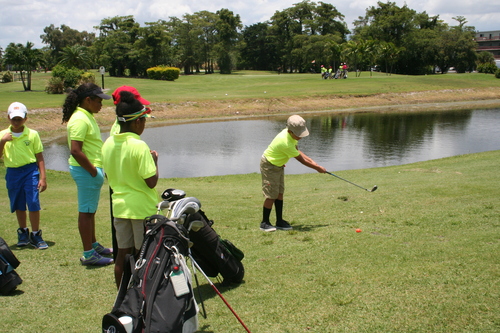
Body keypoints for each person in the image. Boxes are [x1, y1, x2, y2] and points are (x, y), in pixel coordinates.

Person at [102, 90, 159, 288]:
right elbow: (151, 181)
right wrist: (154, 162)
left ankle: (122, 296)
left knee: (122, 253)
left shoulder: (108, 143)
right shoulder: (139, 145)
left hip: (119, 207)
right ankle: (142, 294)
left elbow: (109, 176)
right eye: (144, 120)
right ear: (136, 122)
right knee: (143, 253)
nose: (144, 124)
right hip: (141, 209)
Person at [61, 83, 114, 266]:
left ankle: (93, 245)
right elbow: (75, 150)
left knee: (90, 211)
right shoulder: (80, 119)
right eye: (98, 100)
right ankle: (89, 254)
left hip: (90, 170)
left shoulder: (86, 116)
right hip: (86, 171)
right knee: (86, 211)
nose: (101, 104)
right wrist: (93, 171)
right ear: (87, 100)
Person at [260, 115, 326, 231]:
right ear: (290, 131)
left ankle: (279, 221)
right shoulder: (285, 142)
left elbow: (297, 151)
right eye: (298, 134)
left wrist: (313, 161)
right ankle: (264, 223)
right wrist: (317, 168)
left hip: (278, 165)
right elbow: (301, 160)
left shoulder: (290, 135)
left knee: (279, 193)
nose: (300, 137)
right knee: (271, 195)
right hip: (269, 166)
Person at [0, 102, 48, 249]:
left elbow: (39, 157)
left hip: (30, 171)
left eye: (19, 119)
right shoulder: (3, 135)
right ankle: (23, 233)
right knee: (18, 203)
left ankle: (35, 234)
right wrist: (2, 142)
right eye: (14, 119)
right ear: (8, 118)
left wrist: (43, 177)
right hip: (13, 173)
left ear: (25, 118)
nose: (16, 122)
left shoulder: (32, 134)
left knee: (33, 202)